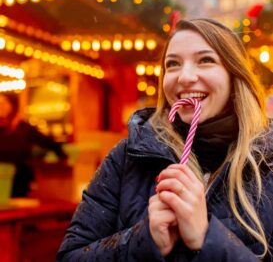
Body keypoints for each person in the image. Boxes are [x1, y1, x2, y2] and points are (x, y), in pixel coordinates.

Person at [56, 18, 273, 261]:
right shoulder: (127, 156)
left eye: (205, 60)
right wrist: (144, 239)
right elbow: (70, 256)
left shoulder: (269, 163)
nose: (185, 77)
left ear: (234, 75)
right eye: (173, 64)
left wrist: (206, 236)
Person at [0, 91, 67, 197]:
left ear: (12, 105)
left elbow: (48, 142)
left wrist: (62, 157)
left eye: (4, 103)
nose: (1, 106)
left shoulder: (23, 127)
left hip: (19, 181)